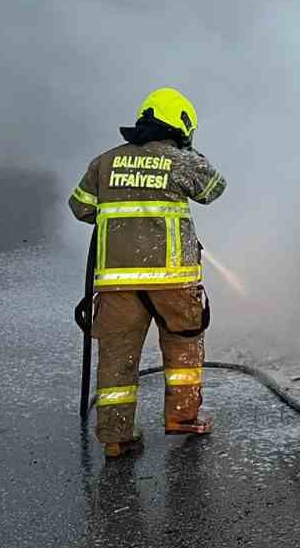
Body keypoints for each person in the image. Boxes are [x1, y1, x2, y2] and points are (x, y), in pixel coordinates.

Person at [68, 87, 227, 459]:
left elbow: (80, 208)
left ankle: (115, 437)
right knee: (183, 347)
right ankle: (183, 418)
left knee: (117, 357)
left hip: (118, 283)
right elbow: (214, 189)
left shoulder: (104, 162)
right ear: (181, 125)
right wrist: (189, 154)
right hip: (173, 279)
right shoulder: (180, 160)